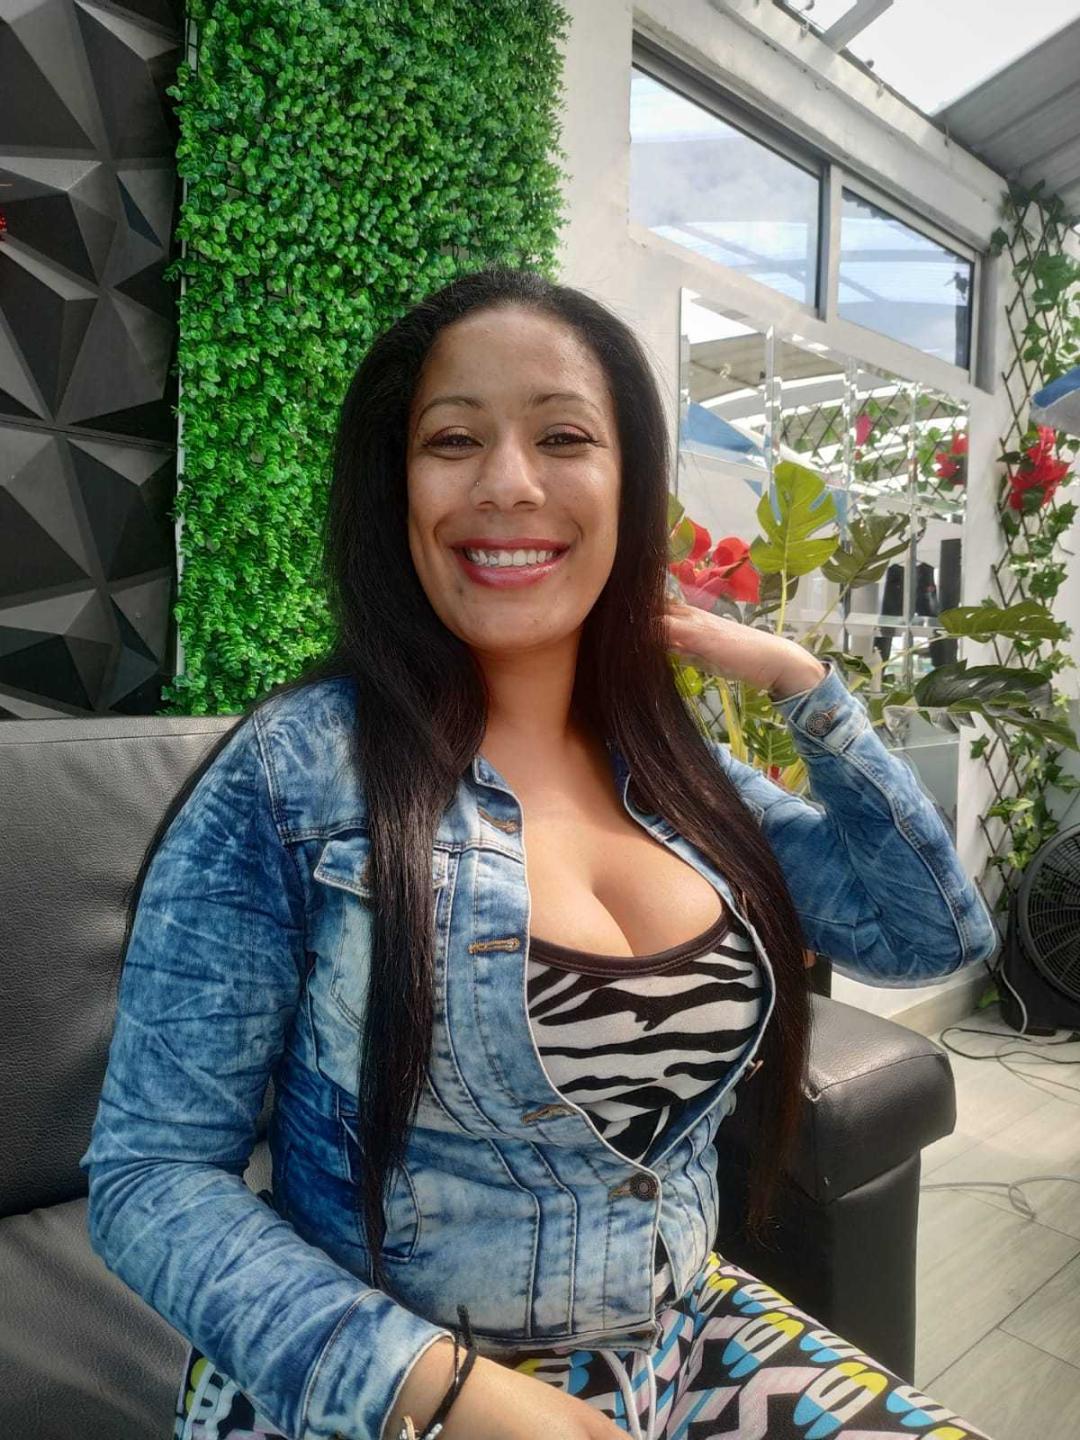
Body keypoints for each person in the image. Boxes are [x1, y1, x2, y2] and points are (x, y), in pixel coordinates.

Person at [82, 267, 1000, 1440]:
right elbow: (150, 1177)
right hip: (389, 1390)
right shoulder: (291, 779)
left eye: (564, 437)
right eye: (453, 440)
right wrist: (452, 1394)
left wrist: (807, 690)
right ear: (395, 488)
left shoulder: (679, 771)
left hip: (677, 1339)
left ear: (627, 484)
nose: (509, 483)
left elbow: (929, 936)